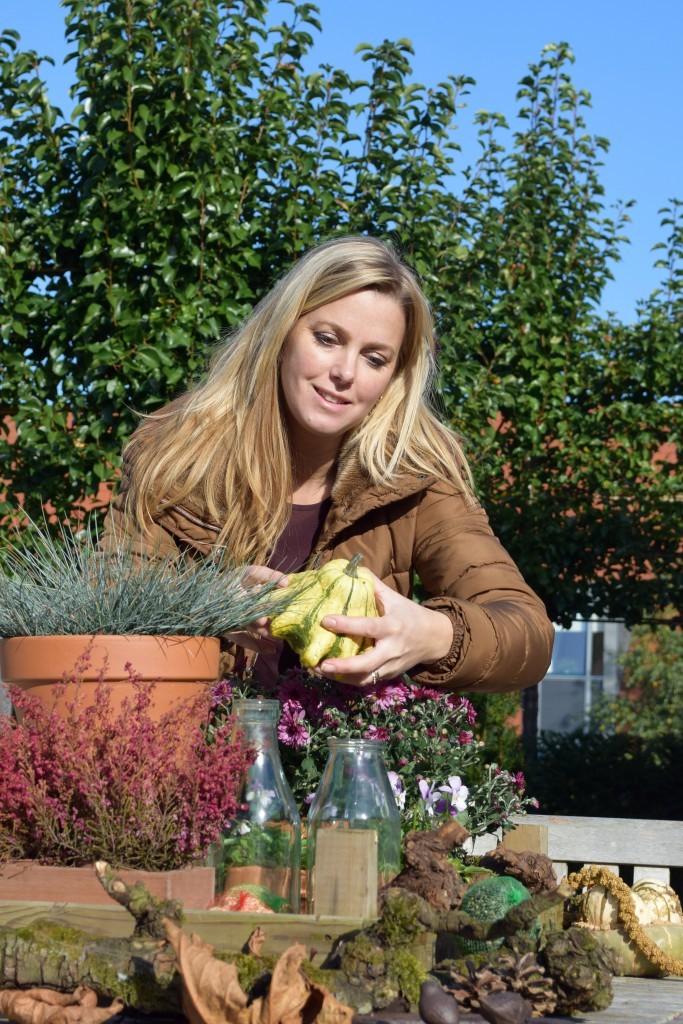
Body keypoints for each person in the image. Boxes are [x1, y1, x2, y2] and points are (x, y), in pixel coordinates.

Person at [102, 236, 554, 693]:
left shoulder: (415, 476)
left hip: (345, 757)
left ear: (394, 377)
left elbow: (529, 634)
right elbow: (103, 609)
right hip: (190, 752)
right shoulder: (178, 453)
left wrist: (432, 634)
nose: (345, 372)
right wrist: (207, 605)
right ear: (280, 334)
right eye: (326, 339)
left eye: (374, 358)